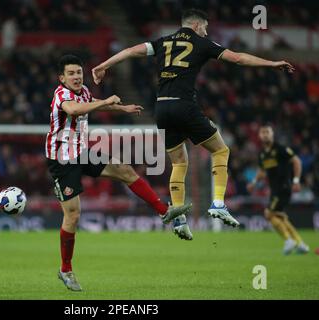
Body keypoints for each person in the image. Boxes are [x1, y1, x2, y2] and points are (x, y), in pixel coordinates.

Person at [92, 8, 295, 240]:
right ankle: (218, 203)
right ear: (197, 26)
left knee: (179, 162)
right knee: (221, 150)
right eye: (205, 28)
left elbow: (129, 51)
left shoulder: (163, 42)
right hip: (184, 105)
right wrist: (272, 64)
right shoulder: (201, 43)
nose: (206, 32)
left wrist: (102, 66)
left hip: (162, 107)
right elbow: (238, 58)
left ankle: (178, 218)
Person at [45, 55, 192, 291]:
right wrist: (105, 103)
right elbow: (74, 110)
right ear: (61, 78)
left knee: (124, 169)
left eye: (79, 72)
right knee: (73, 216)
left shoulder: (82, 91)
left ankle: (165, 213)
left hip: (82, 152)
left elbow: (92, 101)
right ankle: (65, 270)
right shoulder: (62, 95)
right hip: (62, 160)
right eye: (71, 73)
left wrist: (122, 108)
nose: (76, 77)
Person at [247, 124, 309, 255]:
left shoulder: (280, 149)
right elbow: (263, 171)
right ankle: (300, 243)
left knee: (269, 213)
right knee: (280, 217)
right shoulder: (263, 154)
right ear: (259, 136)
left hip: (284, 187)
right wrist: (253, 182)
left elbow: (296, 161)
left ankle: (288, 240)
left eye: (267, 132)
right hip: (274, 189)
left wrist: (296, 181)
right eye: (263, 132)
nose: (265, 135)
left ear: (272, 134)